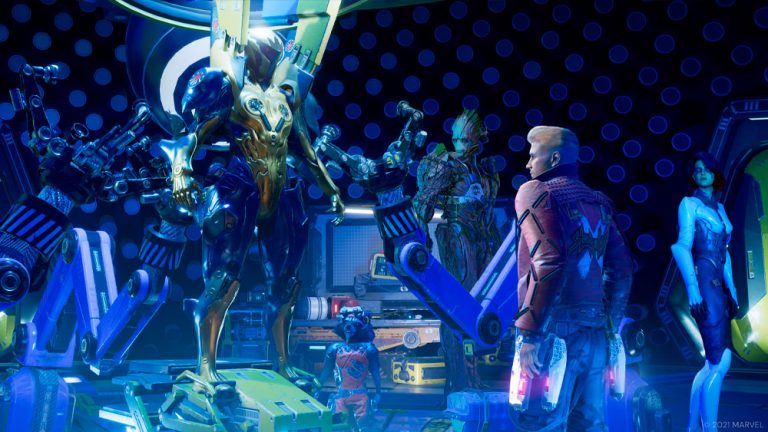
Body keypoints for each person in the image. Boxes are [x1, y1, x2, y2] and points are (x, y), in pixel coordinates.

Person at [165, 29, 344, 385]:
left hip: (281, 193)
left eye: (274, 54)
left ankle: (282, 364)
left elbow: (306, 150)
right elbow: (190, 137)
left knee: (285, 284)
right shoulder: (228, 88)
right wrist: (180, 171)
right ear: (250, 53)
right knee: (222, 282)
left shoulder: (286, 97)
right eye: (264, 52)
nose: (269, 59)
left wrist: (332, 189)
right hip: (239, 189)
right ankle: (206, 366)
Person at [513, 125, 633, 431]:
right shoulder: (598, 202)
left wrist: (530, 334)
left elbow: (548, 261)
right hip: (596, 333)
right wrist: (610, 328)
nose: (527, 164)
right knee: (590, 424)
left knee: (540, 423)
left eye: (533, 156)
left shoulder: (536, 192)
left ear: (554, 158)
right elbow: (621, 270)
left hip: (554, 332)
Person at [412, 109, 501, 394]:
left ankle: (472, 376)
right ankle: (460, 380)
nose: (461, 146)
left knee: (481, 305)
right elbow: (422, 203)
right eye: (458, 140)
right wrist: (422, 240)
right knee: (458, 306)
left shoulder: (484, 170)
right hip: (457, 234)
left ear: (479, 139)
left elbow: (488, 212)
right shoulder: (446, 165)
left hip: (483, 238)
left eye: (467, 140)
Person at [670, 151, 738, 432]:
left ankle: (692, 427)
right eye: (697, 169)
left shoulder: (719, 208)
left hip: (719, 290)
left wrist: (733, 290)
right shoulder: (689, 204)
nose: (701, 173)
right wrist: (693, 291)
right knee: (720, 361)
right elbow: (681, 247)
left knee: (711, 363)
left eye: (706, 169)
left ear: (715, 173)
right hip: (705, 289)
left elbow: (724, 252)